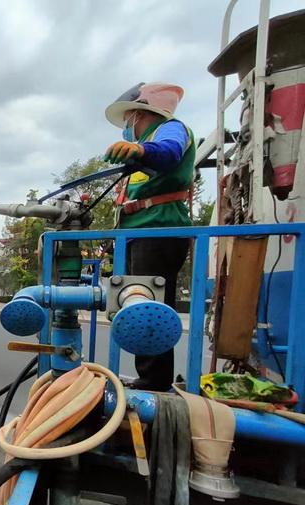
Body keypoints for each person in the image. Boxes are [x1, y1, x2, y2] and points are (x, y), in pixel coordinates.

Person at [103, 82, 194, 391]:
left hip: (159, 228)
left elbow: (168, 154)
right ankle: (149, 377)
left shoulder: (170, 129)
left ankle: (154, 380)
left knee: (148, 303)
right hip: (139, 230)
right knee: (137, 299)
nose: (127, 126)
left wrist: (142, 149)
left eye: (130, 118)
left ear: (142, 114)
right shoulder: (144, 148)